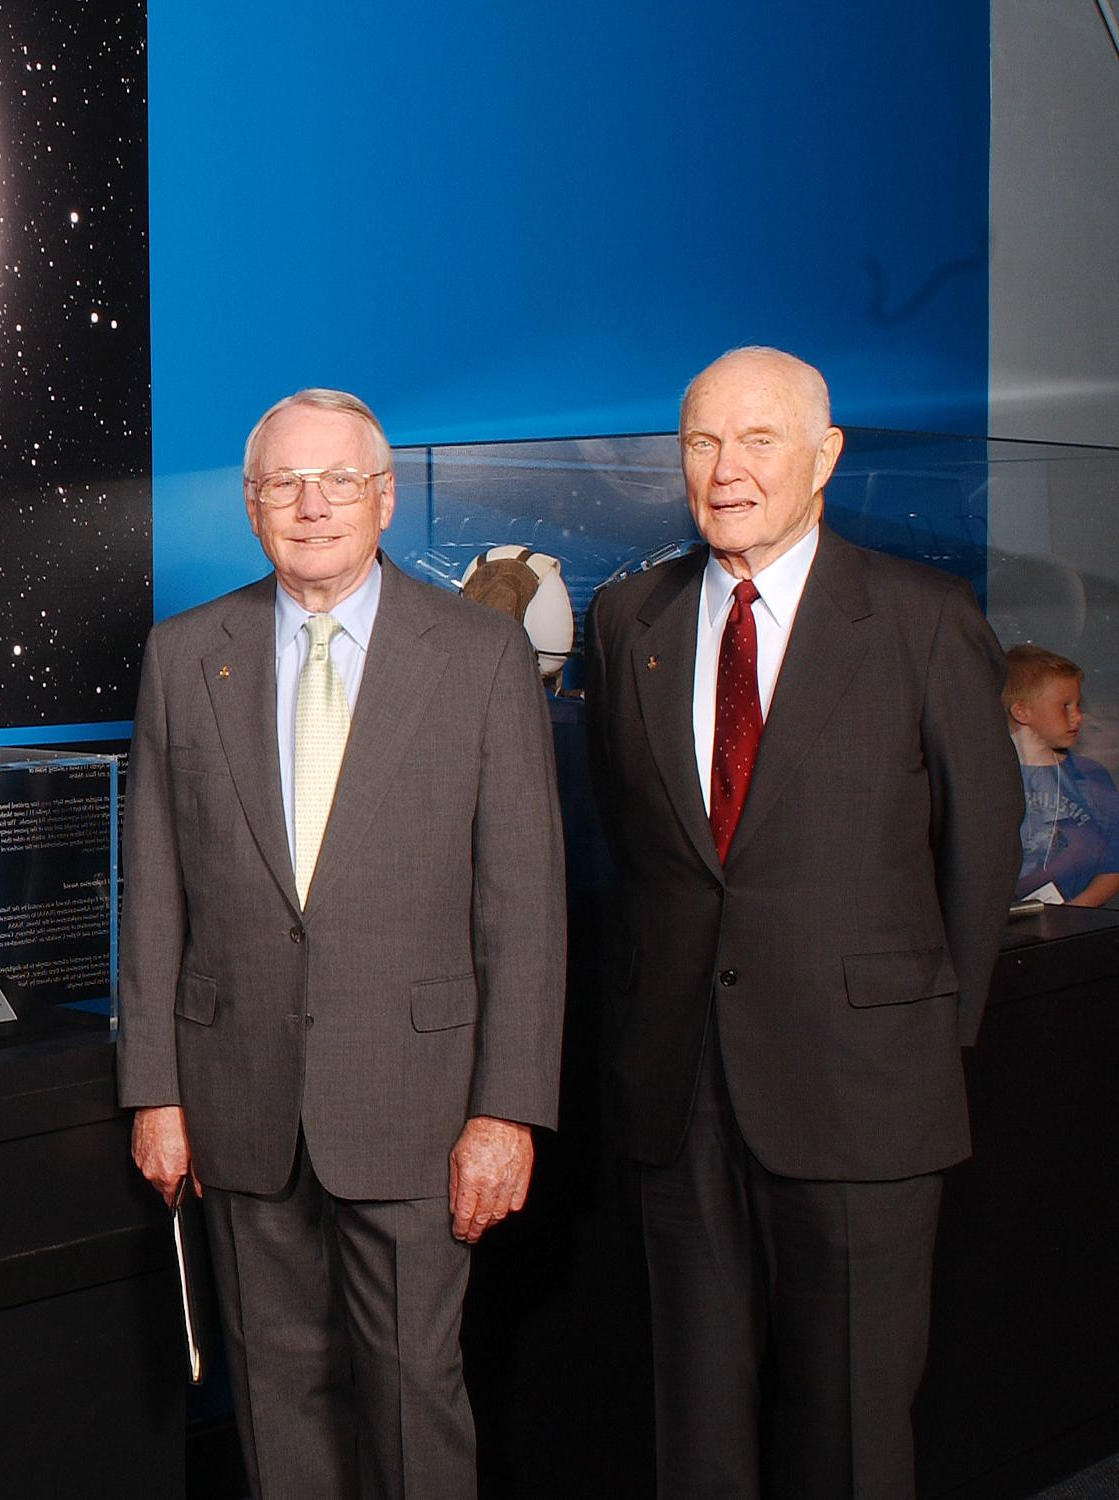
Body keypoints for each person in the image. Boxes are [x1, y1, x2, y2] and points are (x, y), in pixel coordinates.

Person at [583, 346, 1022, 1498]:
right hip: (679, 1094)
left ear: (825, 456)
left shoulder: (925, 619)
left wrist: (928, 1036)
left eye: (759, 439)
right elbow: (624, 853)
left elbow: (983, 849)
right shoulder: (630, 618)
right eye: (702, 443)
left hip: (863, 1087)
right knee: (695, 1421)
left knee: (853, 1427)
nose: (727, 470)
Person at [117, 388, 567, 1499]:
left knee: (415, 1392)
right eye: (283, 483)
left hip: (421, 1107)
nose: (310, 506)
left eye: (337, 482)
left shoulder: (478, 654)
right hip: (239, 1102)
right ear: (251, 503)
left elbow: (525, 901)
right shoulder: (185, 655)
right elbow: (158, 885)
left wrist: (506, 1113)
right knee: (276, 1392)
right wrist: (157, 1092)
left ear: (384, 496)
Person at [1004, 643, 1119, 906]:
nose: (1078, 717)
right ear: (1022, 710)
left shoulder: (1091, 778)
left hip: (1075, 925)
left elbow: (1114, 863)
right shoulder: (988, 779)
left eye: (1078, 704)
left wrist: (1074, 912)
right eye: (1064, 706)